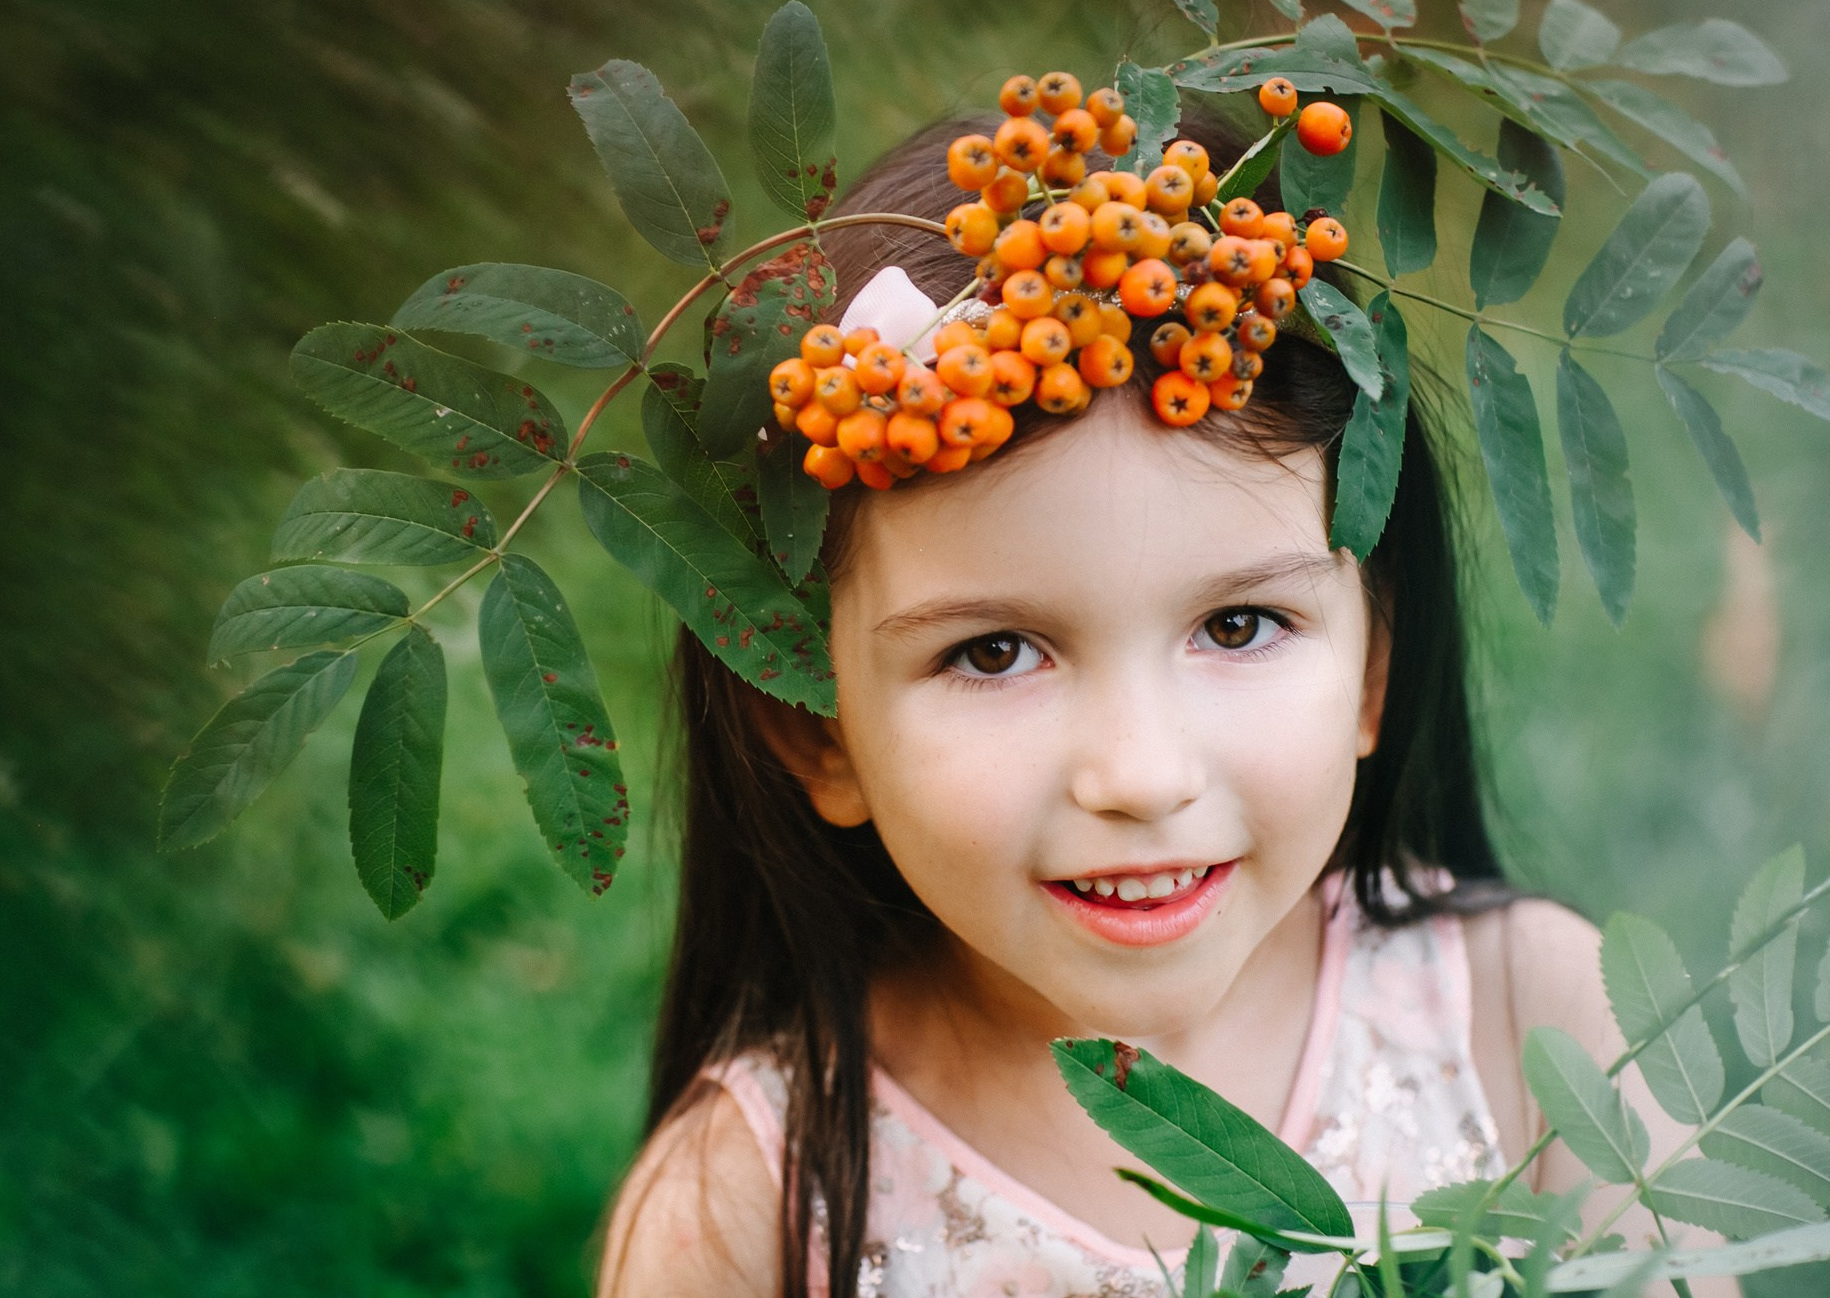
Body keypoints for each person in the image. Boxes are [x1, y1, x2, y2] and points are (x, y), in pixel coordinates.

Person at [595, 108, 1726, 1297]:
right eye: (991, 653)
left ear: (1370, 667)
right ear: (814, 724)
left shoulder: (1534, 1019)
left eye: (1237, 626)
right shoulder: (741, 1212)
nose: (1137, 773)